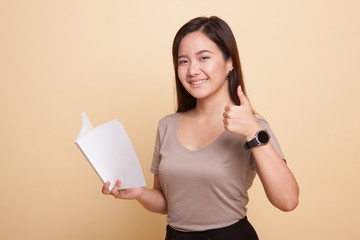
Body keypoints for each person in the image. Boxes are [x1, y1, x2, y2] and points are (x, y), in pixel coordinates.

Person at [102, 16, 299, 240]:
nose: (192, 70)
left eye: (203, 58)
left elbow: (288, 201)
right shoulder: (167, 125)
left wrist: (252, 132)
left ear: (229, 62)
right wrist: (139, 193)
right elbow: (168, 202)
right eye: (183, 61)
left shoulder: (254, 128)